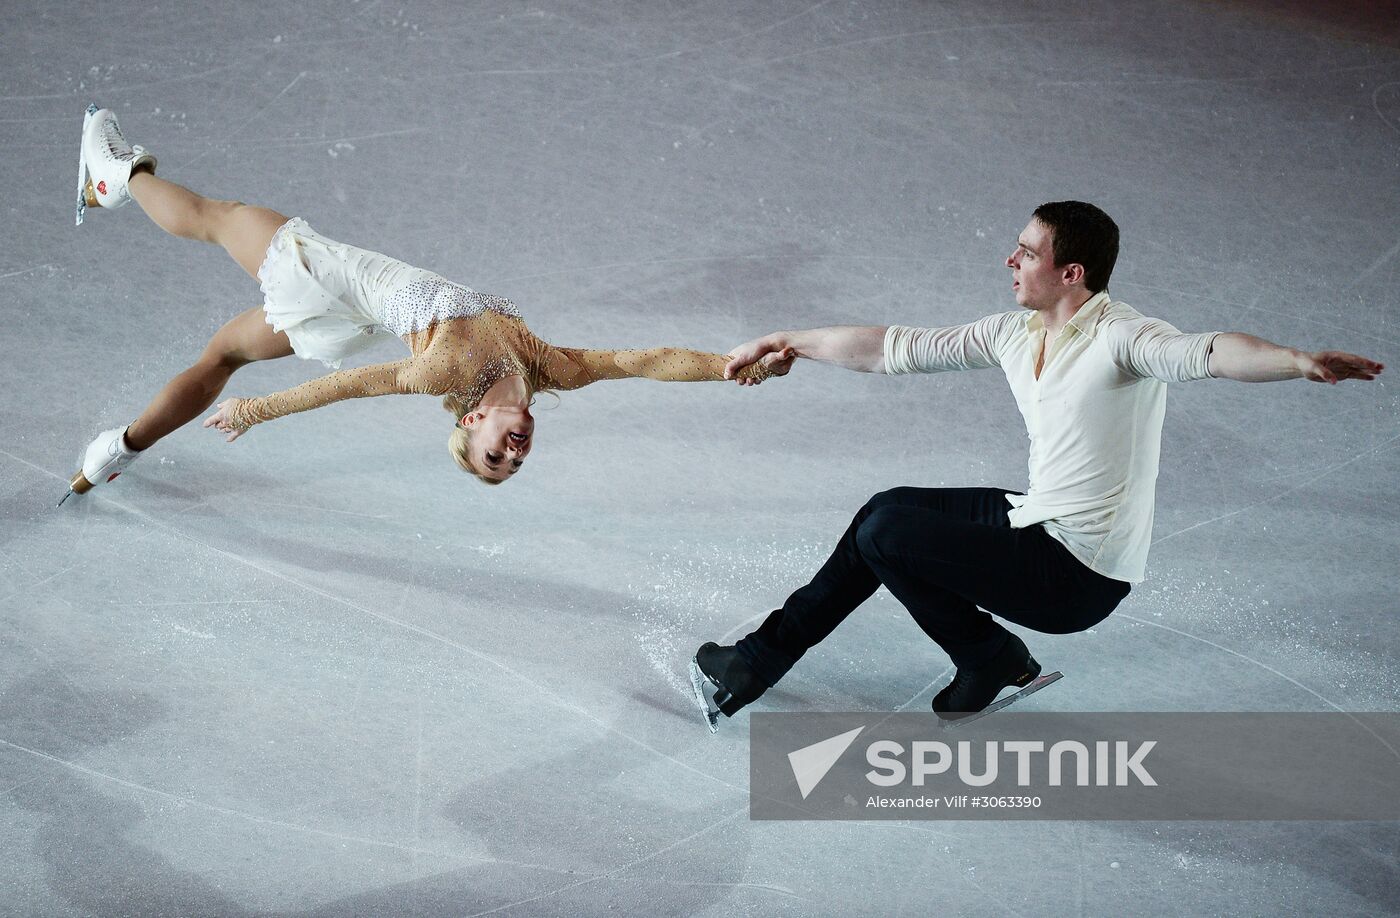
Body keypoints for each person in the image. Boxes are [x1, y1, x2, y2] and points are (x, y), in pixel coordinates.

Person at [691, 200, 1384, 725]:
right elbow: (891, 347)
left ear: (1069, 273)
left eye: (1025, 254)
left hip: (1077, 575)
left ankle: (988, 657)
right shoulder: (1015, 332)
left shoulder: (1124, 338)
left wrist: (1295, 361)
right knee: (886, 508)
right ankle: (759, 662)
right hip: (1037, 519)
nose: (1009, 262)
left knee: (887, 537)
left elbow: (1208, 352)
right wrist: (788, 340)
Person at [63, 108, 787, 501]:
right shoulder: (549, 369)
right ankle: (115, 451)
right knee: (221, 355)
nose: (513, 449)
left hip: (331, 282)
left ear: (471, 421)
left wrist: (259, 411)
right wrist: (729, 368)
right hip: (349, 319)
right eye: (514, 459)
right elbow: (643, 361)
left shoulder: (441, 373)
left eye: (494, 456)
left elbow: (348, 386)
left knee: (220, 217)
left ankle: (115, 176)